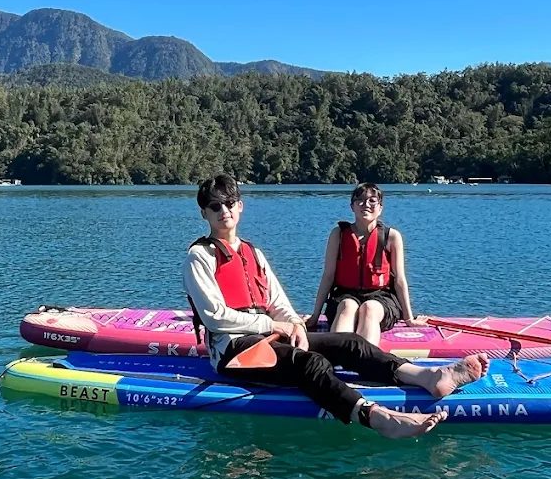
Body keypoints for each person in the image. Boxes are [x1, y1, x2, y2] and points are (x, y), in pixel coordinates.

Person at [183, 174, 487, 439]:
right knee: (311, 364)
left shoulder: (253, 252)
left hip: (268, 337)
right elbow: (215, 318)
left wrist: (296, 326)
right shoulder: (199, 256)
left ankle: (430, 377)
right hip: (234, 351)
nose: (224, 211)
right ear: (204, 213)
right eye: (215, 206)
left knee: (350, 343)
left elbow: (278, 303)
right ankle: (379, 418)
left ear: (240, 206)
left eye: (229, 203)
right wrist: (273, 326)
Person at [308, 183, 424, 346]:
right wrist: (315, 316)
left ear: (380, 207)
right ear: (352, 206)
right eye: (360, 200)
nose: (366, 205)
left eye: (372, 201)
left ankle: (367, 359)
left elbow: (399, 279)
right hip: (344, 295)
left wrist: (409, 318)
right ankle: (338, 353)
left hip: (381, 297)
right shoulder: (338, 235)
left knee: (369, 308)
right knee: (347, 306)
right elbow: (328, 276)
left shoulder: (391, 237)